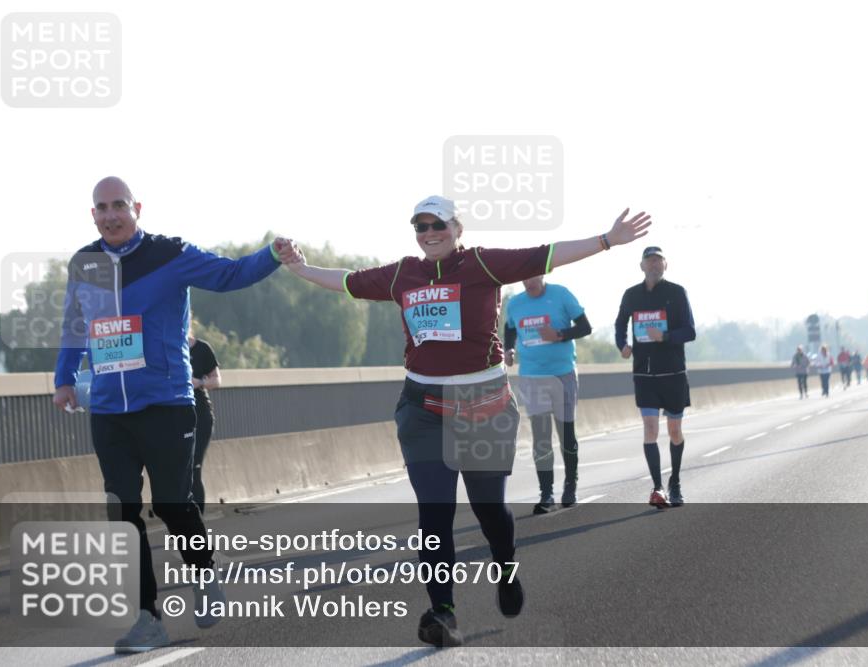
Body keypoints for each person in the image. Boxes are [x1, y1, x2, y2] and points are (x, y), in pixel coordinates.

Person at [279, 195, 652, 647]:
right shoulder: (403, 274)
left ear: (457, 228)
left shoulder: (481, 264)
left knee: (488, 510)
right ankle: (443, 612)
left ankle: (505, 566)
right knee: (433, 514)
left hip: (484, 405)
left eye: (437, 224)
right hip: (422, 408)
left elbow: (546, 255)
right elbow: (347, 281)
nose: (429, 233)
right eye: (420, 226)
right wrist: (300, 269)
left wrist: (607, 240)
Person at [52, 177, 290, 653]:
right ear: (92, 215)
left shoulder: (169, 254)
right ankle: (147, 618)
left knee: (171, 503)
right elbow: (74, 326)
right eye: (101, 208)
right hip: (110, 409)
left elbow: (229, 275)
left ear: (137, 208)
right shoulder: (85, 263)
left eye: (119, 205)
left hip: (167, 403)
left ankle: (204, 575)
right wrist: (63, 378)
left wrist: (271, 255)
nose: (111, 214)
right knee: (121, 509)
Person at [614, 246, 696, 510]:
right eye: (650, 261)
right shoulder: (631, 295)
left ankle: (676, 483)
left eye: (658, 261)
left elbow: (690, 331)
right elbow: (619, 324)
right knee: (650, 429)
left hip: (673, 373)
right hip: (644, 373)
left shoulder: (676, 292)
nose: (654, 265)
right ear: (642, 266)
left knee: (674, 431)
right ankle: (657, 487)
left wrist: (667, 336)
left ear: (665, 266)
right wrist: (622, 345)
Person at [504, 275, 591, 513]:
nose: (528, 282)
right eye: (524, 278)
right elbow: (510, 329)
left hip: (562, 374)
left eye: (533, 277)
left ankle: (570, 486)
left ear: (542, 275)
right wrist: (509, 349)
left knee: (565, 434)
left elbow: (585, 327)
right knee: (541, 437)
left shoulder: (561, 294)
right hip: (532, 376)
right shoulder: (515, 303)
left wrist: (560, 335)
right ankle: (546, 494)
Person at [189, 320, 222, 513]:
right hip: (172, 417)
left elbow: (217, 380)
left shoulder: (202, 348)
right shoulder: (164, 347)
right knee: (177, 473)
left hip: (200, 415)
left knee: (194, 468)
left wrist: (199, 382)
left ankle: (196, 523)